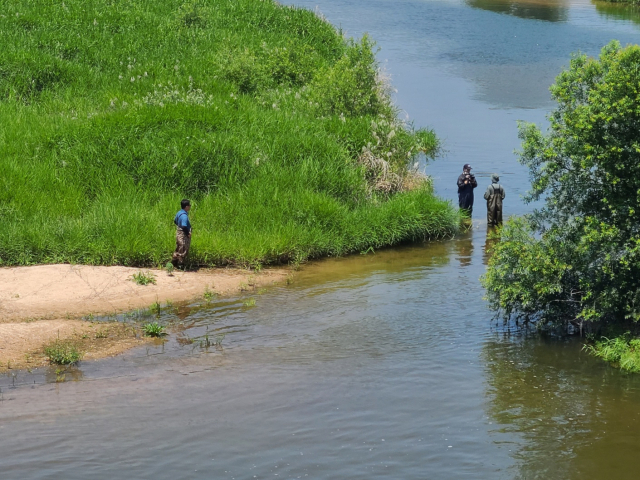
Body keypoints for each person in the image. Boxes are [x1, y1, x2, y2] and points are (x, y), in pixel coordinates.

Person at [172, 199, 192, 266]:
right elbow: (184, 226)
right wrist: (188, 233)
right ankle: (180, 264)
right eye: (189, 205)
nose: (190, 206)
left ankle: (174, 262)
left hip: (178, 232)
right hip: (183, 234)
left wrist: (179, 226)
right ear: (186, 206)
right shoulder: (184, 216)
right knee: (183, 248)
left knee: (179, 247)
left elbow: (175, 221)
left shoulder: (179, 213)